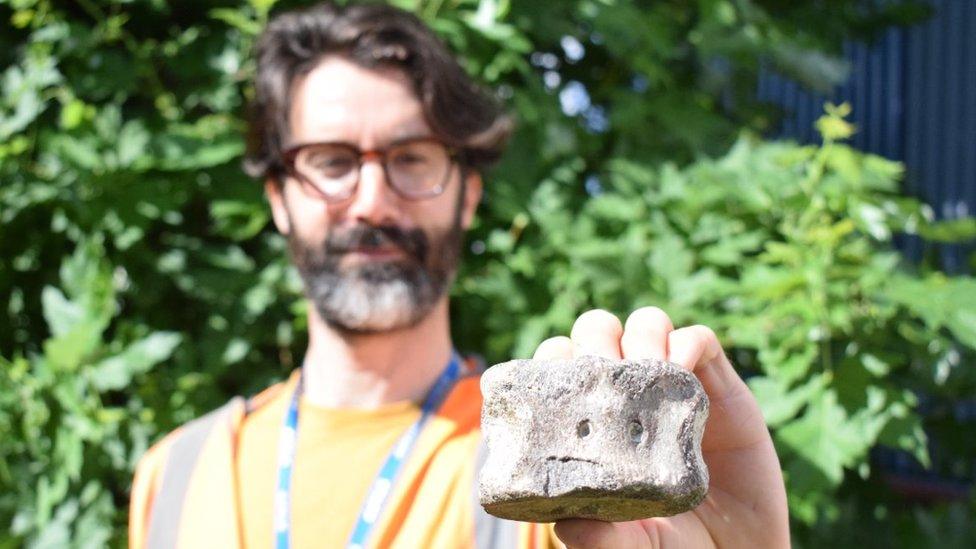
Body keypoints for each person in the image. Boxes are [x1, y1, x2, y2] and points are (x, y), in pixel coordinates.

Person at [128, 2, 790, 548]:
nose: (371, 199)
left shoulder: (552, 477)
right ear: (277, 195)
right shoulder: (176, 475)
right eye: (330, 160)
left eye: (411, 157)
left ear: (468, 192)